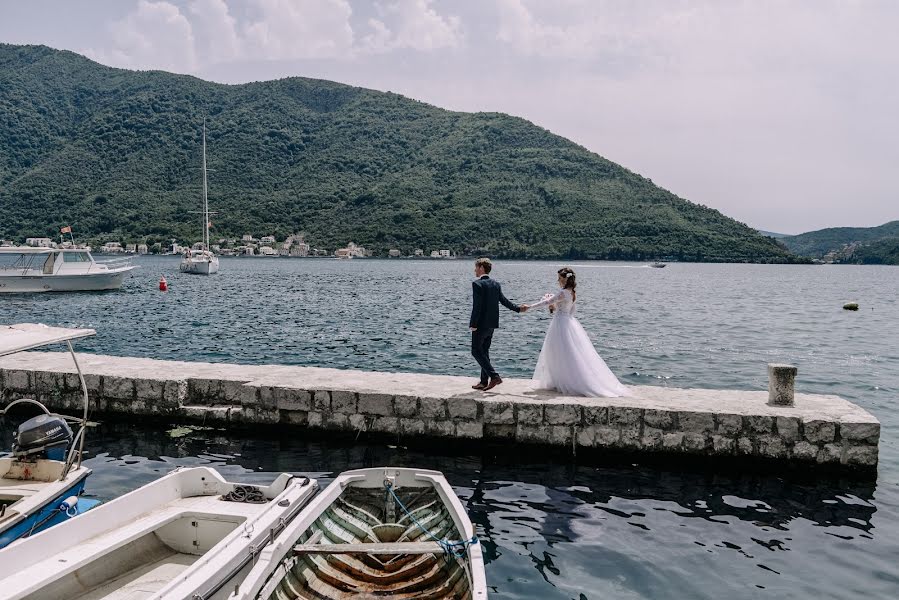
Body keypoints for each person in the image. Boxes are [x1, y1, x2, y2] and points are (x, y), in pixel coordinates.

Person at [526, 267, 629, 397]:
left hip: (560, 324)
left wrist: (529, 307)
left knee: (558, 352)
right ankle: (564, 379)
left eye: (559, 278)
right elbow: (570, 311)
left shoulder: (563, 292)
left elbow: (548, 301)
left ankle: (564, 381)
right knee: (567, 353)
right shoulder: (572, 293)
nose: (558, 280)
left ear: (565, 279)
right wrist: (554, 308)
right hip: (568, 322)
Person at [469, 258, 528, 391]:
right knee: (484, 351)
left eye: (476, 267)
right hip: (492, 324)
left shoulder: (477, 284)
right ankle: (484, 382)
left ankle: (494, 376)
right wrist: (518, 309)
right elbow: (504, 301)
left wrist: (473, 323)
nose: (474, 270)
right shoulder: (496, 284)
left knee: (476, 351)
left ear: (482, 268)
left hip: (481, 324)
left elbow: (477, 307)